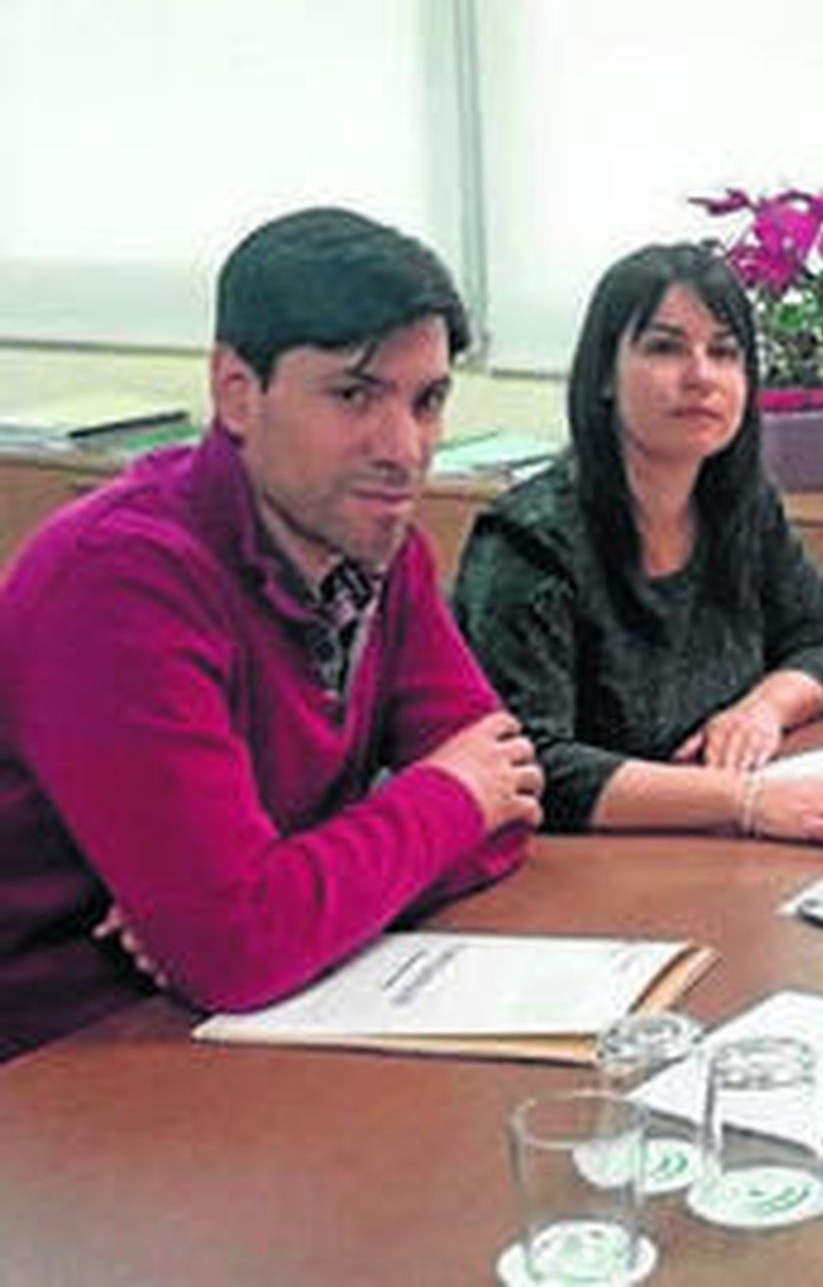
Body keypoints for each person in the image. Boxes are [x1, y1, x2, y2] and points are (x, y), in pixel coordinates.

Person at [0, 208, 542, 1062]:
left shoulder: (379, 545)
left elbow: (508, 801)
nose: (405, 450)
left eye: (428, 399)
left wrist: (286, 892)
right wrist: (438, 804)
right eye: (354, 393)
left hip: (255, 1022)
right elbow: (238, 947)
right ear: (237, 392)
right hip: (65, 1059)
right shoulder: (119, 579)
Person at [453, 241, 823, 843]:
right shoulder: (528, 542)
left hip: (709, 851)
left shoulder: (742, 506)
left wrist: (762, 709)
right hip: (582, 872)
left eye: (724, 352)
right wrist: (744, 801)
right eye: (665, 348)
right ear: (604, 375)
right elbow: (531, 765)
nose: (701, 376)